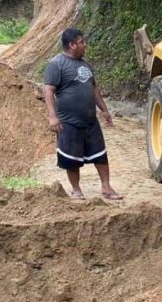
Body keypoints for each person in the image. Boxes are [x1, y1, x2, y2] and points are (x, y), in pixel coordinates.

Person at [43, 28, 123, 200]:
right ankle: (76, 189)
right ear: (72, 45)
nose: (85, 45)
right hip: (69, 122)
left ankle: (106, 188)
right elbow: (48, 90)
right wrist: (52, 117)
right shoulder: (56, 65)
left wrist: (104, 110)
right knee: (71, 159)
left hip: (90, 121)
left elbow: (94, 88)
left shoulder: (85, 64)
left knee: (100, 155)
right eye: (81, 42)